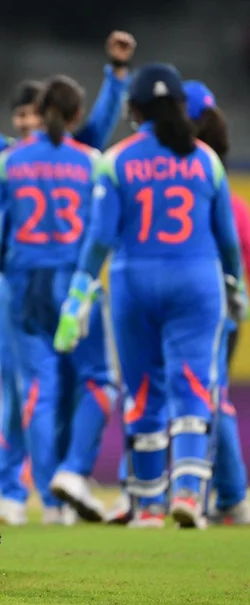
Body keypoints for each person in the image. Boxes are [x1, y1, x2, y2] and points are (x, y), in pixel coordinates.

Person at [0, 31, 135, 526]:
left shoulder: (10, 161)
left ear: (43, 113)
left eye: (33, 114)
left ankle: (53, 497)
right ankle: (40, 487)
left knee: (39, 391)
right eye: (20, 115)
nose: (27, 122)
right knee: (58, 386)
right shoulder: (89, 160)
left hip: (23, 283)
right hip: (70, 283)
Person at [54, 64, 244, 529]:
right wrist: (235, 287)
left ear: (134, 109)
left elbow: (100, 238)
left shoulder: (116, 160)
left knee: (143, 389)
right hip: (197, 282)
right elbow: (228, 241)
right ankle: (189, 492)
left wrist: (79, 291)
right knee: (195, 384)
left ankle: (149, 504)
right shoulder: (206, 160)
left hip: (134, 282)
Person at [183, 81, 250, 525]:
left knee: (192, 396)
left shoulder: (193, 185)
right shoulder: (229, 194)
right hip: (227, 306)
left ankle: (215, 492)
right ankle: (228, 494)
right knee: (213, 394)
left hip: (198, 306)